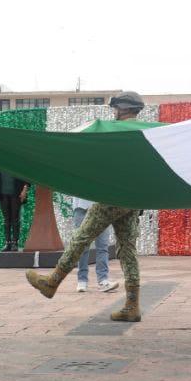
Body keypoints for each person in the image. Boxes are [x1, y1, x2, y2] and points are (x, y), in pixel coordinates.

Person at [25, 92, 145, 322]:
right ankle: (132, 305)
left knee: (82, 237)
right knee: (127, 250)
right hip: (132, 199)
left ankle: (53, 282)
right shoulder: (144, 133)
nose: (114, 112)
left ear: (123, 108)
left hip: (112, 196)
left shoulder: (114, 131)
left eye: (116, 108)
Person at [68, 195, 119, 293]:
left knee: (103, 246)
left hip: (102, 207)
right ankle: (82, 280)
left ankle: (103, 280)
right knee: (82, 246)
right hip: (81, 207)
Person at [0, 168, 29, 252]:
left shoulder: (18, 163)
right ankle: (7, 243)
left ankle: (15, 243)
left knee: (15, 218)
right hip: (2, 193)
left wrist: (25, 190)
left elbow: (26, 175)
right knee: (6, 219)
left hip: (16, 192)